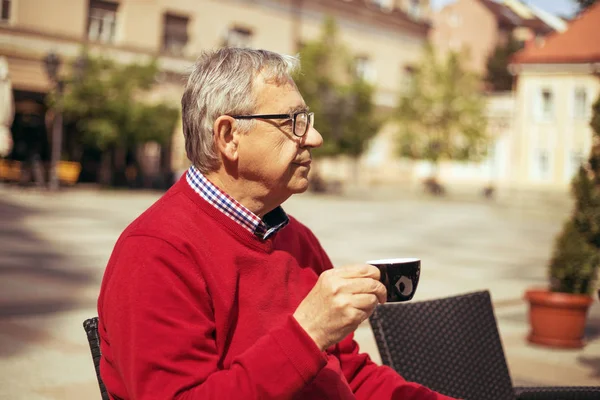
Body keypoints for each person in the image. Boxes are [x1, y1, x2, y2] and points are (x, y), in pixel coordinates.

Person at [97, 48, 455, 400]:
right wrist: (308, 333)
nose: (314, 138)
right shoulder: (155, 252)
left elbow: (350, 375)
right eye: (294, 122)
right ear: (229, 137)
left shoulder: (295, 238)